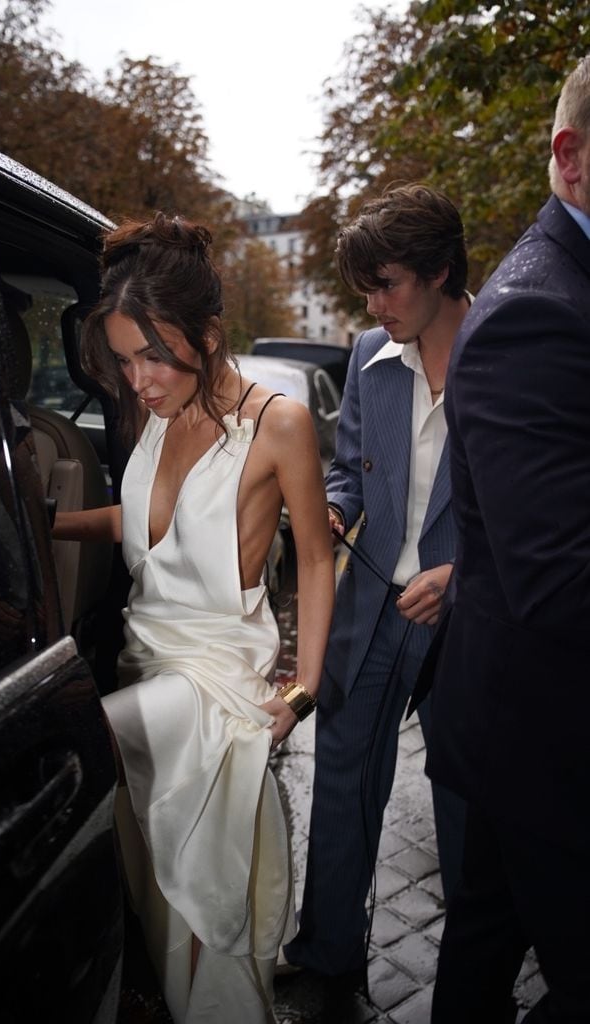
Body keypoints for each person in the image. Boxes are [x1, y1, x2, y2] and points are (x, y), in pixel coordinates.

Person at [53, 212, 335, 1024]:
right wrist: (45, 523)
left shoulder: (277, 423)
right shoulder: (156, 416)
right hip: (144, 657)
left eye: (153, 356)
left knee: (78, 745)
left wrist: (305, 689)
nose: (138, 379)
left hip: (212, 687)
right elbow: (144, 522)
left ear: (207, 334)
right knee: (171, 908)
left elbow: (316, 558)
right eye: (125, 359)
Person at [423, 56, 590, 1024]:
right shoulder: (536, 310)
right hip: (548, 732)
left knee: (483, 939)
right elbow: (561, 580)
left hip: (515, 716)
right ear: (569, 158)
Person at [282, 184, 469, 1009]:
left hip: (466, 621)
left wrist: (465, 576)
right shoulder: (365, 356)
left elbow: (545, 503)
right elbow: (346, 469)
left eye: (385, 283)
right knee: (340, 779)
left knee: (465, 805)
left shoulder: (507, 347)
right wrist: (328, 509)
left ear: (438, 272)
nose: (372, 303)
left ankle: (474, 975)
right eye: (365, 287)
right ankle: (325, 952)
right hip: (370, 608)